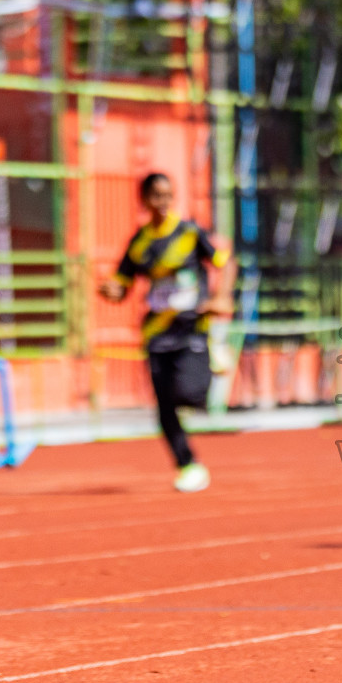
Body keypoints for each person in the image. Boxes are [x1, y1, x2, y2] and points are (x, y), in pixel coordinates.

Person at [99, 173, 234, 493]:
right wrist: (110, 289)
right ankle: (187, 464)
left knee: (189, 393)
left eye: (168, 195)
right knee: (164, 408)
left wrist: (221, 296)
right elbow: (122, 285)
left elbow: (225, 263)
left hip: (192, 326)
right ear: (144, 199)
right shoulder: (140, 242)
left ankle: (213, 349)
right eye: (156, 195)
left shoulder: (189, 232)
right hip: (158, 332)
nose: (163, 201)